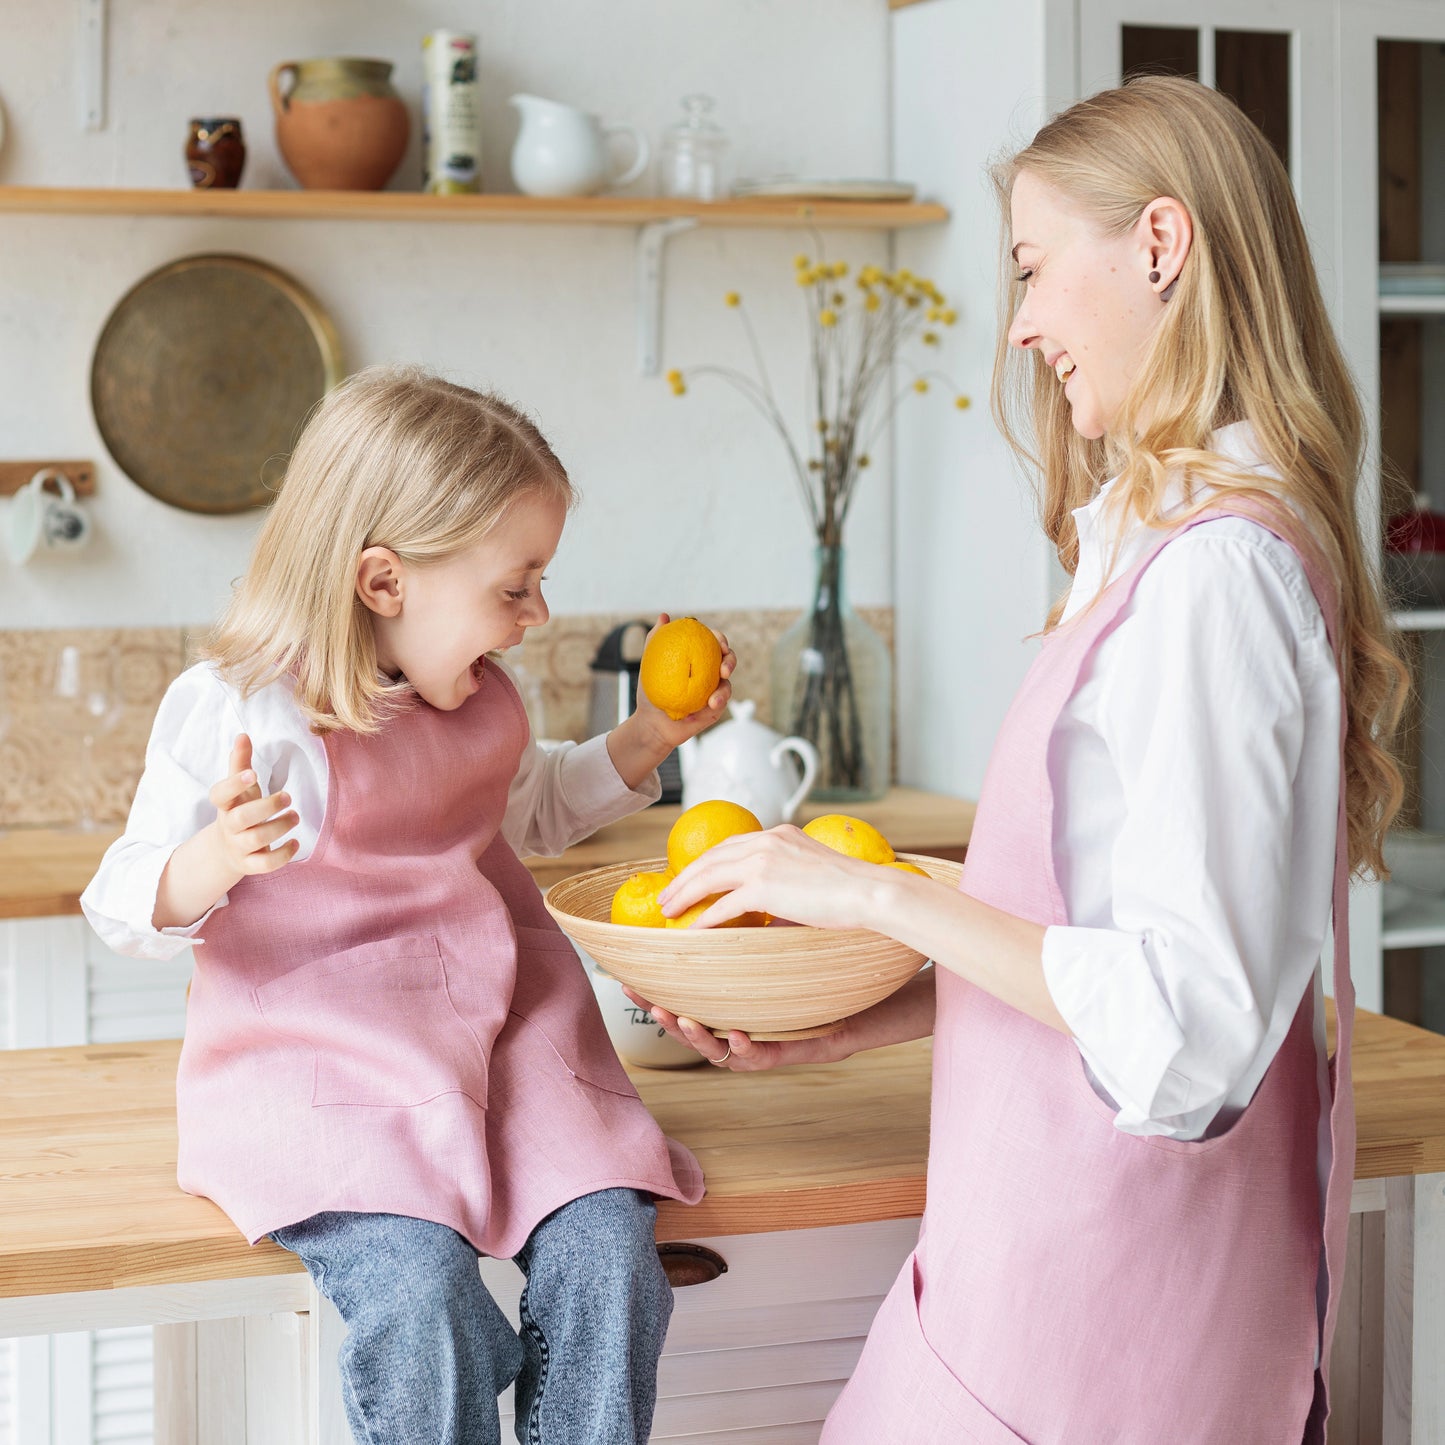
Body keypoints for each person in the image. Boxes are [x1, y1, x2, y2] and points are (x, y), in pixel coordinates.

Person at [628, 76, 1407, 1444]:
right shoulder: (1170, 548)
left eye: (1036, 270)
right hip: (1054, 1294)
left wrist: (878, 893)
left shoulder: (1213, 579)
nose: (1023, 324)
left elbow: (1185, 1028)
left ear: (1159, 244)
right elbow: (1109, 939)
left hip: (1096, 1322)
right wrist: (886, 1008)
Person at [81, 367, 731, 1445]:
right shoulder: (245, 711)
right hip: (321, 1063)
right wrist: (212, 857)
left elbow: (530, 806)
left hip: (500, 1046)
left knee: (611, 1258)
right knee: (418, 1299)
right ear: (383, 582)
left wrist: (649, 738)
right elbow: (120, 897)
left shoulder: (475, 699)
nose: (537, 616)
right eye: (514, 586)